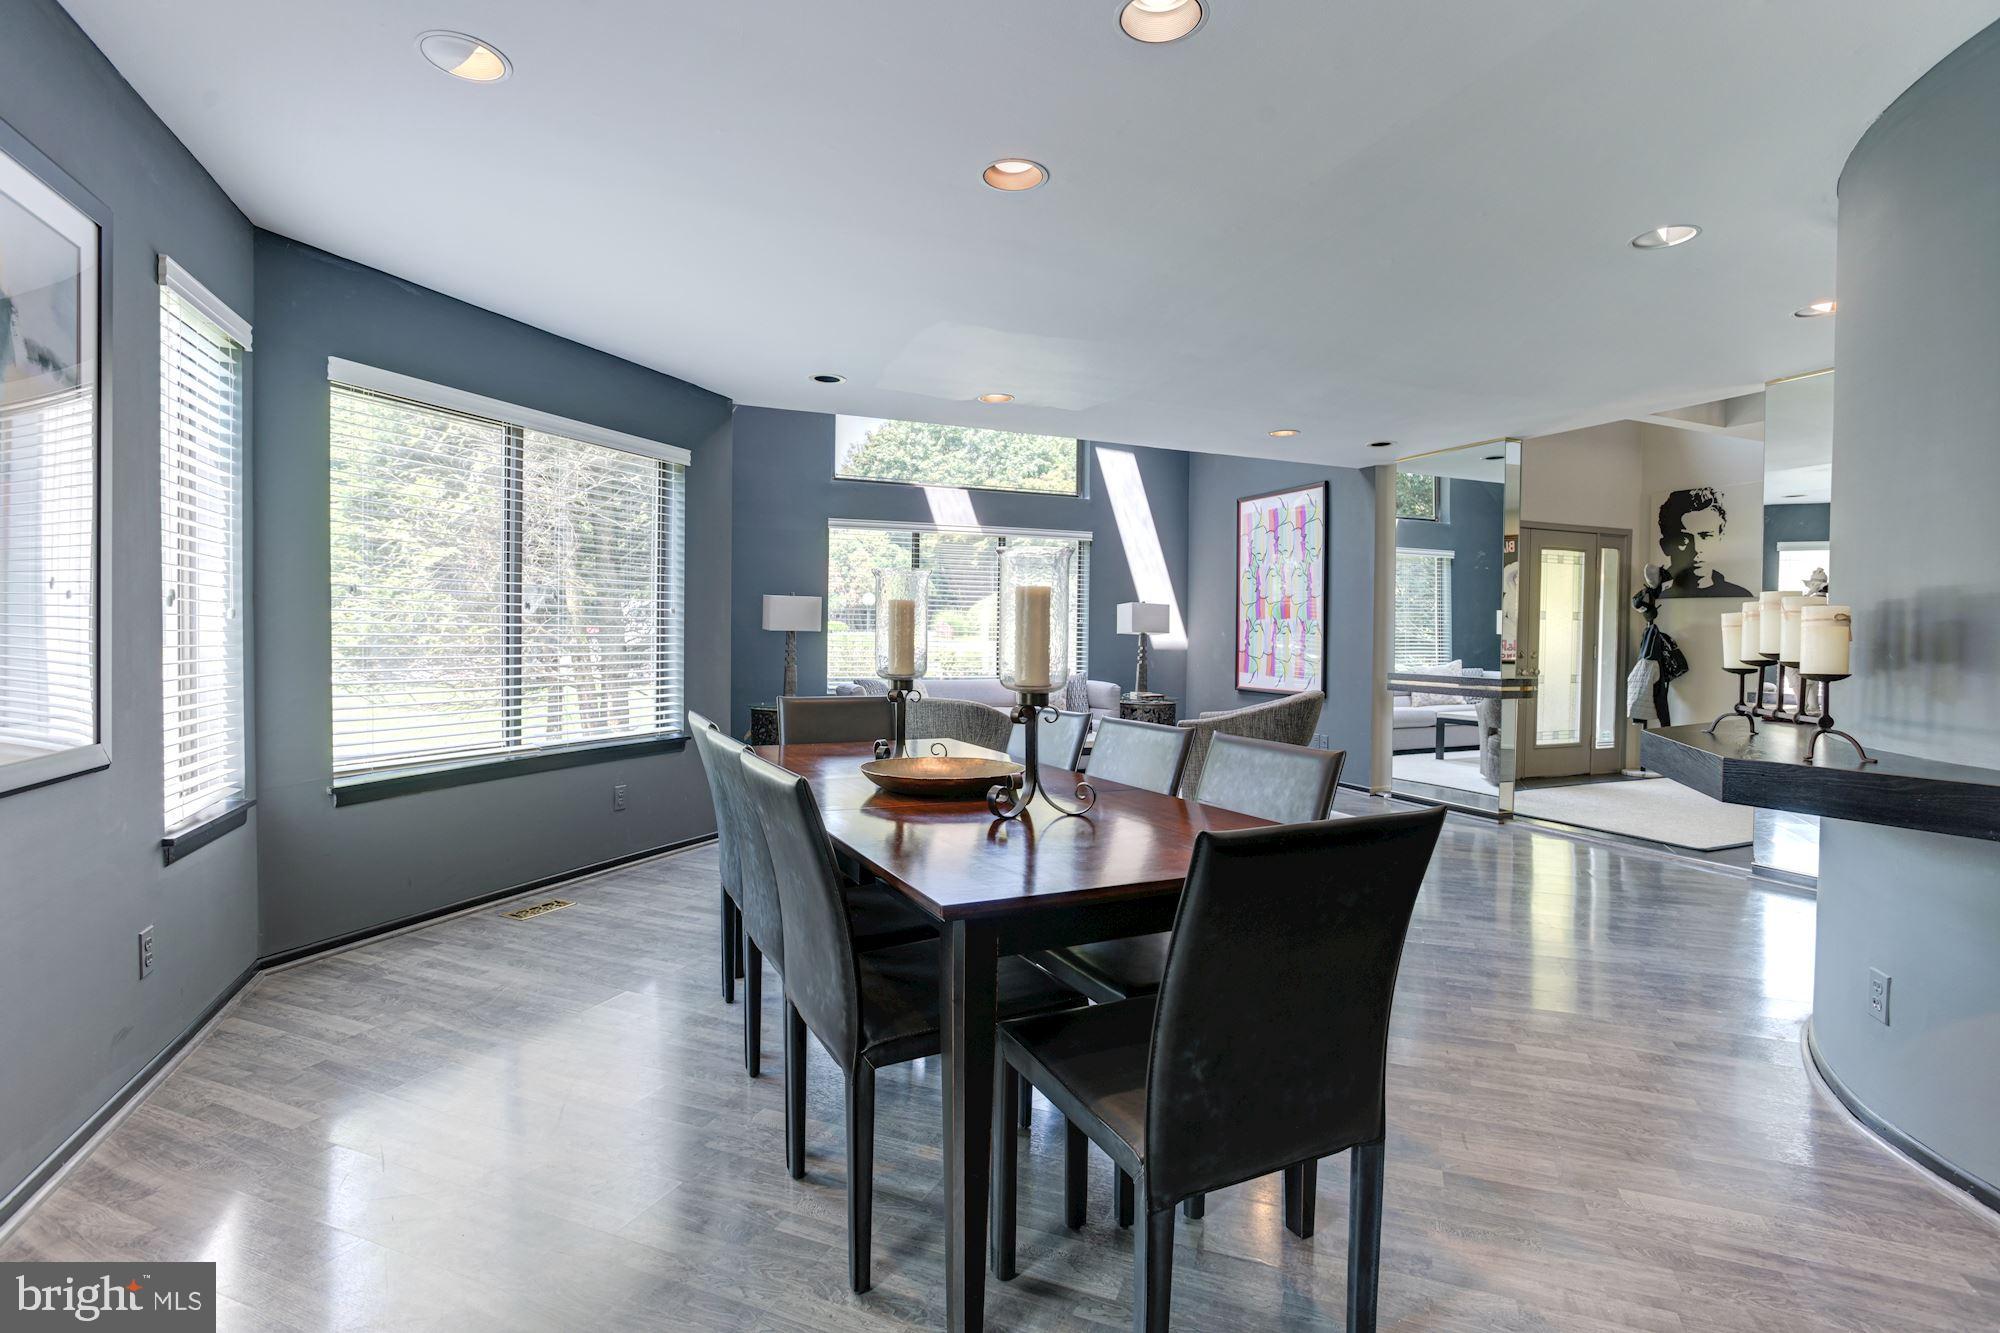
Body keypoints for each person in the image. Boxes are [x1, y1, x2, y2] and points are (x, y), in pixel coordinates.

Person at [1655, 487, 1751, 599]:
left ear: (1721, 539)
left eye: (1706, 536)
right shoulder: (1653, 598)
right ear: (1665, 546)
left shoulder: (1742, 596)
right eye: (1683, 539)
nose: (1697, 549)